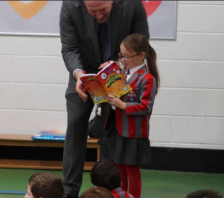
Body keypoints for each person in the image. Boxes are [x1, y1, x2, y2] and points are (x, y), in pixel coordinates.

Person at [59, 1, 149, 197]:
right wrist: (78, 74)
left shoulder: (132, 5)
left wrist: (118, 64)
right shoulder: (70, 6)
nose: (99, 16)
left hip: (118, 73)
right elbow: (69, 48)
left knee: (112, 132)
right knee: (75, 128)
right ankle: (69, 191)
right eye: (93, 12)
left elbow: (142, 42)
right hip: (83, 74)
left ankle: (109, 193)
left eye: (103, 11)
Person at [105, 33, 160, 198]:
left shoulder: (147, 78)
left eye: (126, 56)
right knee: (119, 168)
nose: (122, 60)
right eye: (121, 55)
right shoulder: (123, 74)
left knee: (132, 170)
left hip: (134, 132)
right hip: (120, 129)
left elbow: (145, 107)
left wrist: (122, 105)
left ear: (142, 56)